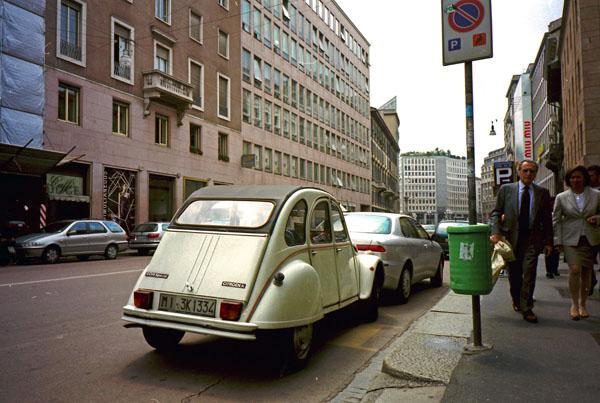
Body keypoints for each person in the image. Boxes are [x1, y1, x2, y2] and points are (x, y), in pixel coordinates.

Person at [490, 160, 553, 323]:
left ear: (535, 173)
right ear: (518, 172)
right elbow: (496, 213)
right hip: (511, 240)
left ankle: (527, 308)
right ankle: (517, 299)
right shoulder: (506, 190)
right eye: (525, 170)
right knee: (515, 275)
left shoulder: (542, 193)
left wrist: (548, 243)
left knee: (529, 273)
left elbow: (547, 220)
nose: (528, 174)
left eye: (532, 171)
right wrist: (495, 233)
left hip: (532, 239)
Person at [553, 165, 600, 320]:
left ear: (584, 178)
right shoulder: (561, 197)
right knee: (575, 269)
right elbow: (556, 220)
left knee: (586, 271)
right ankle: (574, 303)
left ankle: (583, 304)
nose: (575, 180)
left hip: (590, 237)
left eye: (578, 177)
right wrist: (558, 241)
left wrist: (597, 219)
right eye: (572, 178)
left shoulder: (596, 195)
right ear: (568, 180)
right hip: (570, 238)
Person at [586, 165, 600, 295]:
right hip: (590, 233)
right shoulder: (584, 191)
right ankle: (590, 281)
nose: (589, 178)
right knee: (587, 261)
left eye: (591, 175)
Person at [545, 197, 561, 278]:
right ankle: (549, 271)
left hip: (556, 236)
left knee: (556, 254)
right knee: (548, 254)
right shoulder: (546, 212)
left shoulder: (558, 212)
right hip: (548, 237)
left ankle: (555, 269)